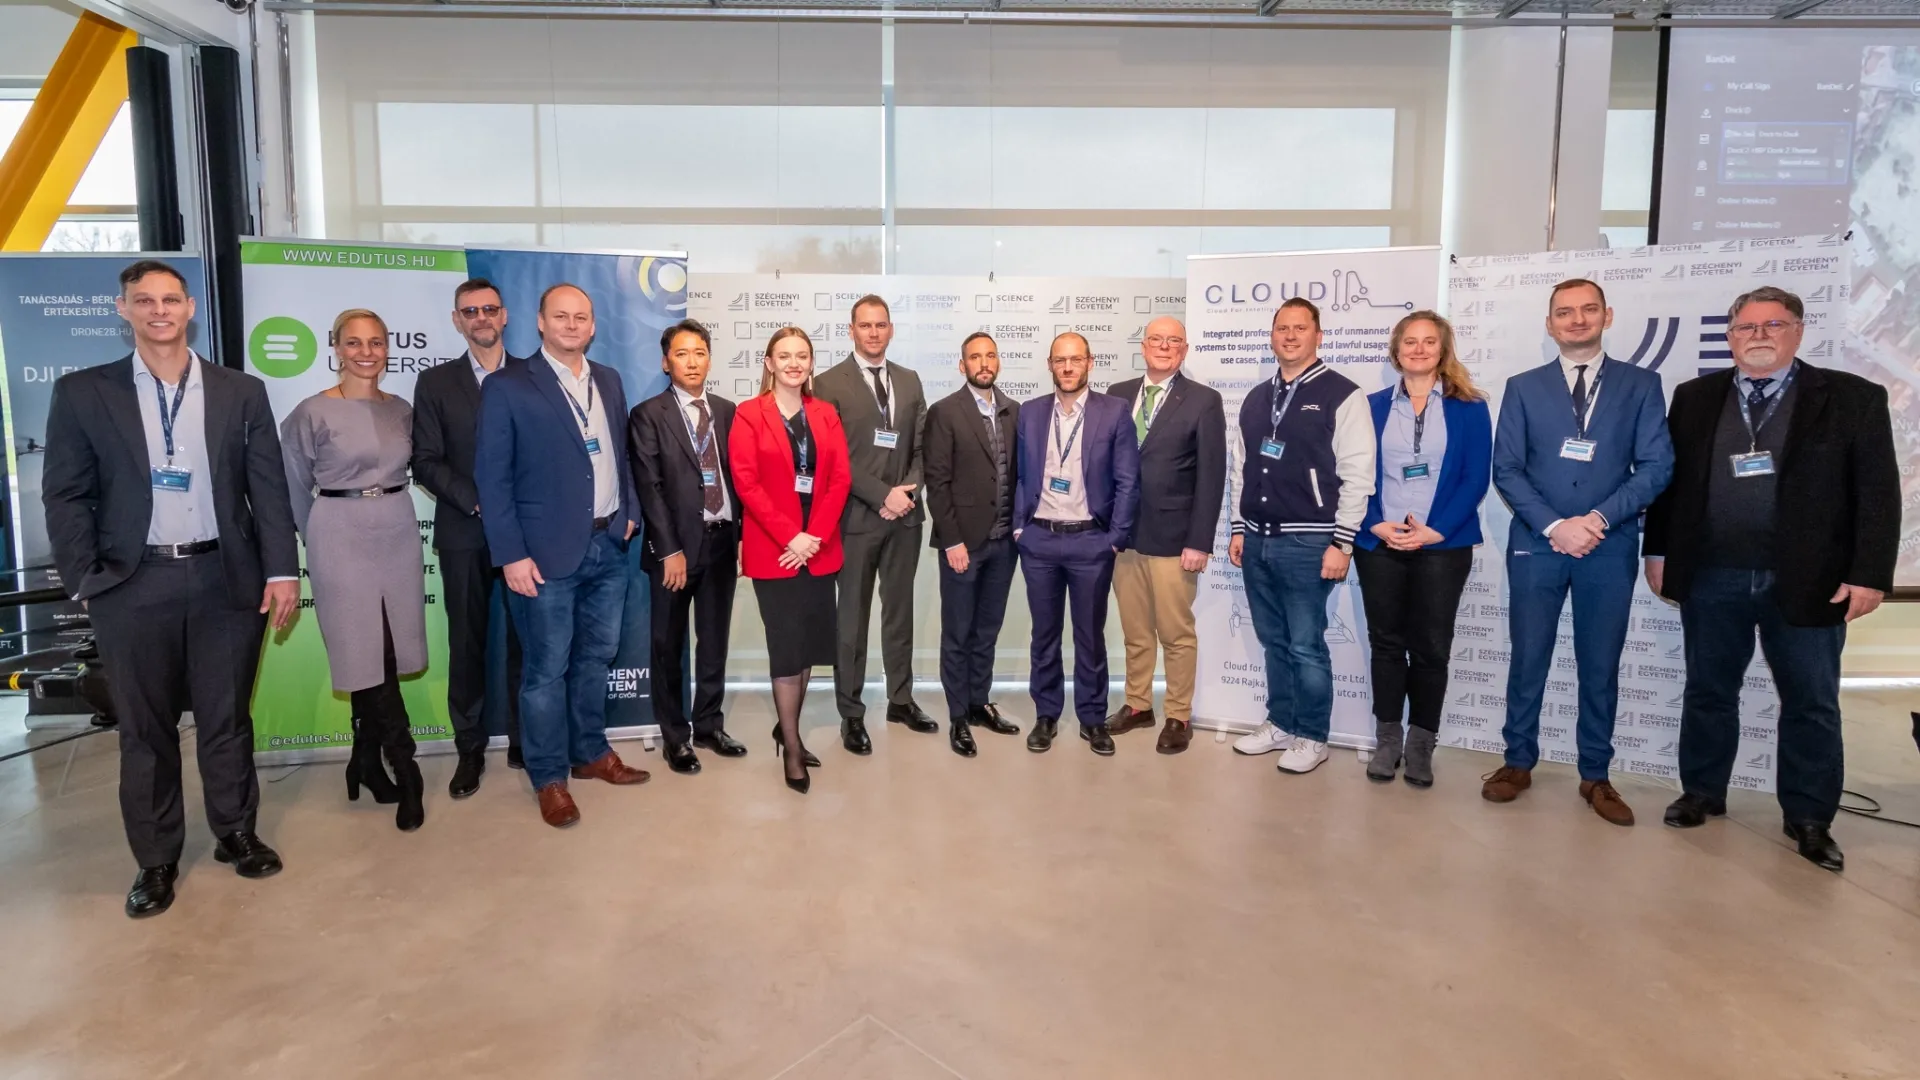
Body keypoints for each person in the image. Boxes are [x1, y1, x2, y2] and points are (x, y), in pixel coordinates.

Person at [43, 259, 299, 919]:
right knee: (146, 729)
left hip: (224, 578)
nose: (159, 310)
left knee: (225, 717)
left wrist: (281, 571)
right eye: (143, 300)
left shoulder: (240, 391)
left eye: (170, 299)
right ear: (123, 310)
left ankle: (235, 832)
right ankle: (155, 861)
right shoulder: (82, 393)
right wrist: (86, 578)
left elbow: (266, 490)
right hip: (133, 583)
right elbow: (66, 495)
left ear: (190, 308)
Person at [1644, 286, 1899, 871]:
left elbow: (1879, 494)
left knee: (1810, 703)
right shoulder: (1694, 397)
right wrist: (1657, 551)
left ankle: (1809, 817)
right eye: (1747, 327)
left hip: (1810, 580)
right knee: (1709, 691)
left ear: (1798, 332)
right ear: (1729, 336)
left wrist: (1869, 575)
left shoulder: (1852, 398)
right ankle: (1703, 792)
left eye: (1773, 325)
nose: (1759, 335)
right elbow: (1670, 487)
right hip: (1712, 574)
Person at [1484, 278, 1674, 825]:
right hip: (1538, 546)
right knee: (1529, 658)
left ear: (1607, 316)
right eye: (1564, 312)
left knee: (1599, 664)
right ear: (1550, 324)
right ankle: (1517, 761)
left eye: (1588, 310)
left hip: (1608, 545)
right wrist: (1553, 526)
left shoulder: (1641, 385)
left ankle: (1596, 774)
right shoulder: (1523, 387)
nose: (1577, 319)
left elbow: (1657, 466)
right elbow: (1508, 470)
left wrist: (1594, 520)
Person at [475, 283, 648, 829]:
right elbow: (492, 478)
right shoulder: (507, 387)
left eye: (582, 317)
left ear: (593, 326)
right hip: (543, 557)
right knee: (545, 672)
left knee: (596, 658)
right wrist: (511, 555)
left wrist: (629, 515)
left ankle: (591, 752)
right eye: (561, 316)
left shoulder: (610, 381)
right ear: (541, 324)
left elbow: (620, 454)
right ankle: (550, 776)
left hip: (607, 544)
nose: (572, 325)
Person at [282, 309, 430, 833]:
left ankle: (363, 761)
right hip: (338, 533)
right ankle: (405, 766)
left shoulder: (402, 409)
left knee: (388, 648)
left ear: (387, 348)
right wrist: (318, 535)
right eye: (354, 343)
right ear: (336, 349)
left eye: (376, 342)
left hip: (396, 527)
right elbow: (294, 484)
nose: (366, 351)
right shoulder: (312, 411)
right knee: (359, 648)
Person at [1227, 298, 1376, 775]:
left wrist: (1343, 542)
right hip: (1257, 539)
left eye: (1300, 328)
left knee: (1306, 643)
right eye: (1281, 328)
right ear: (1271, 336)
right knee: (1274, 640)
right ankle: (1282, 722)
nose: (1289, 336)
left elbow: (1358, 474)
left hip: (1310, 542)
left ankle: (1313, 735)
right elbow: (1240, 468)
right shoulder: (1256, 397)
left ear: (1318, 335)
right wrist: (1237, 527)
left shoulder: (1342, 394)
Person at [1353, 311, 1492, 788]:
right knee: (1387, 644)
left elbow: (1476, 476)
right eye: (1409, 341)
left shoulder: (1470, 407)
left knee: (1432, 647)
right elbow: (1353, 472)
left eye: (1428, 341)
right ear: (1395, 352)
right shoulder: (1369, 406)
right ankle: (1387, 738)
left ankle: (1421, 743)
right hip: (1381, 542)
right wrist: (1374, 523)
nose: (1418, 349)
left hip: (1443, 545)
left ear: (1443, 349)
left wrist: (1437, 530)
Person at [412, 277, 524, 798]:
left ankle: (528, 739)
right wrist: (481, 501)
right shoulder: (435, 384)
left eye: (489, 309)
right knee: (468, 644)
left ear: (505, 317)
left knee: (530, 640)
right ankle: (470, 750)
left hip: (528, 533)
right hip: (464, 530)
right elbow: (426, 461)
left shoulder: (534, 377)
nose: (481, 317)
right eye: (469, 311)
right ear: (458, 321)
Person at [731, 328, 852, 794]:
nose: (794, 363)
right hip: (775, 551)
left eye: (802, 356)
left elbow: (840, 478)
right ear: (768, 362)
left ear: (810, 363)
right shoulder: (748, 414)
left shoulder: (825, 414)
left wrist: (814, 537)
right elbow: (746, 483)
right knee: (786, 649)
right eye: (785, 355)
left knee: (808, 649)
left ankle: (787, 728)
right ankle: (794, 747)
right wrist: (792, 536)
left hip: (817, 552)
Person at [811, 295, 933, 754]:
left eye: (881, 325)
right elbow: (833, 457)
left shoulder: (909, 379)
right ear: (851, 330)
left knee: (899, 614)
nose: (874, 333)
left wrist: (908, 491)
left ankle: (900, 699)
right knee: (852, 622)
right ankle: (851, 713)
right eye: (865, 326)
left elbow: (924, 447)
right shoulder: (826, 384)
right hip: (857, 518)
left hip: (905, 518)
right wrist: (883, 495)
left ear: (891, 329)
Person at [628, 319, 748, 776]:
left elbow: (738, 479)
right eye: (682, 353)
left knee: (714, 641)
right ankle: (675, 737)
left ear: (709, 359)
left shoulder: (726, 410)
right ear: (666, 362)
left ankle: (710, 724)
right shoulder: (647, 414)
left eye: (699, 352)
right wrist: (669, 550)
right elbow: (650, 487)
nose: (692, 361)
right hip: (674, 553)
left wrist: (741, 540)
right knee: (667, 645)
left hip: (720, 542)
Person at [1103, 316, 1226, 755]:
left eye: (1173, 341)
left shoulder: (1203, 400)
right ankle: (1138, 705)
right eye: (1156, 339)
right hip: (1123, 537)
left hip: (1175, 539)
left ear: (1185, 350)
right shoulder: (1117, 395)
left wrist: (1199, 541)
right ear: (1143, 346)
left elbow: (1212, 476)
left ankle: (1178, 714)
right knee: (1135, 631)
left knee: (1176, 633)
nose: (1164, 346)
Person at [1016, 333, 1140, 756]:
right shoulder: (1030, 413)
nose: (1068, 368)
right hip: (1040, 541)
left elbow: (1128, 480)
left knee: (1090, 635)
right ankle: (1046, 715)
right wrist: (1019, 528)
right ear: (1049, 364)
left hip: (1091, 541)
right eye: (1060, 361)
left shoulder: (1115, 411)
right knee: (1044, 634)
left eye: (1075, 360)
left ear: (1090, 362)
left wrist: (1115, 539)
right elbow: (1018, 475)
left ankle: (1092, 718)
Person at [923, 331, 1023, 756]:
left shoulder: (1016, 411)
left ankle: (981, 702)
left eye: (990, 355)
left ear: (998, 362)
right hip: (963, 545)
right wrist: (952, 541)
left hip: (1004, 544)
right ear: (962, 366)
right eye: (974, 357)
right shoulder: (945, 412)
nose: (984, 363)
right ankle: (959, 715)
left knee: (987, 631)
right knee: (958, 633)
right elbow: (937, 484)